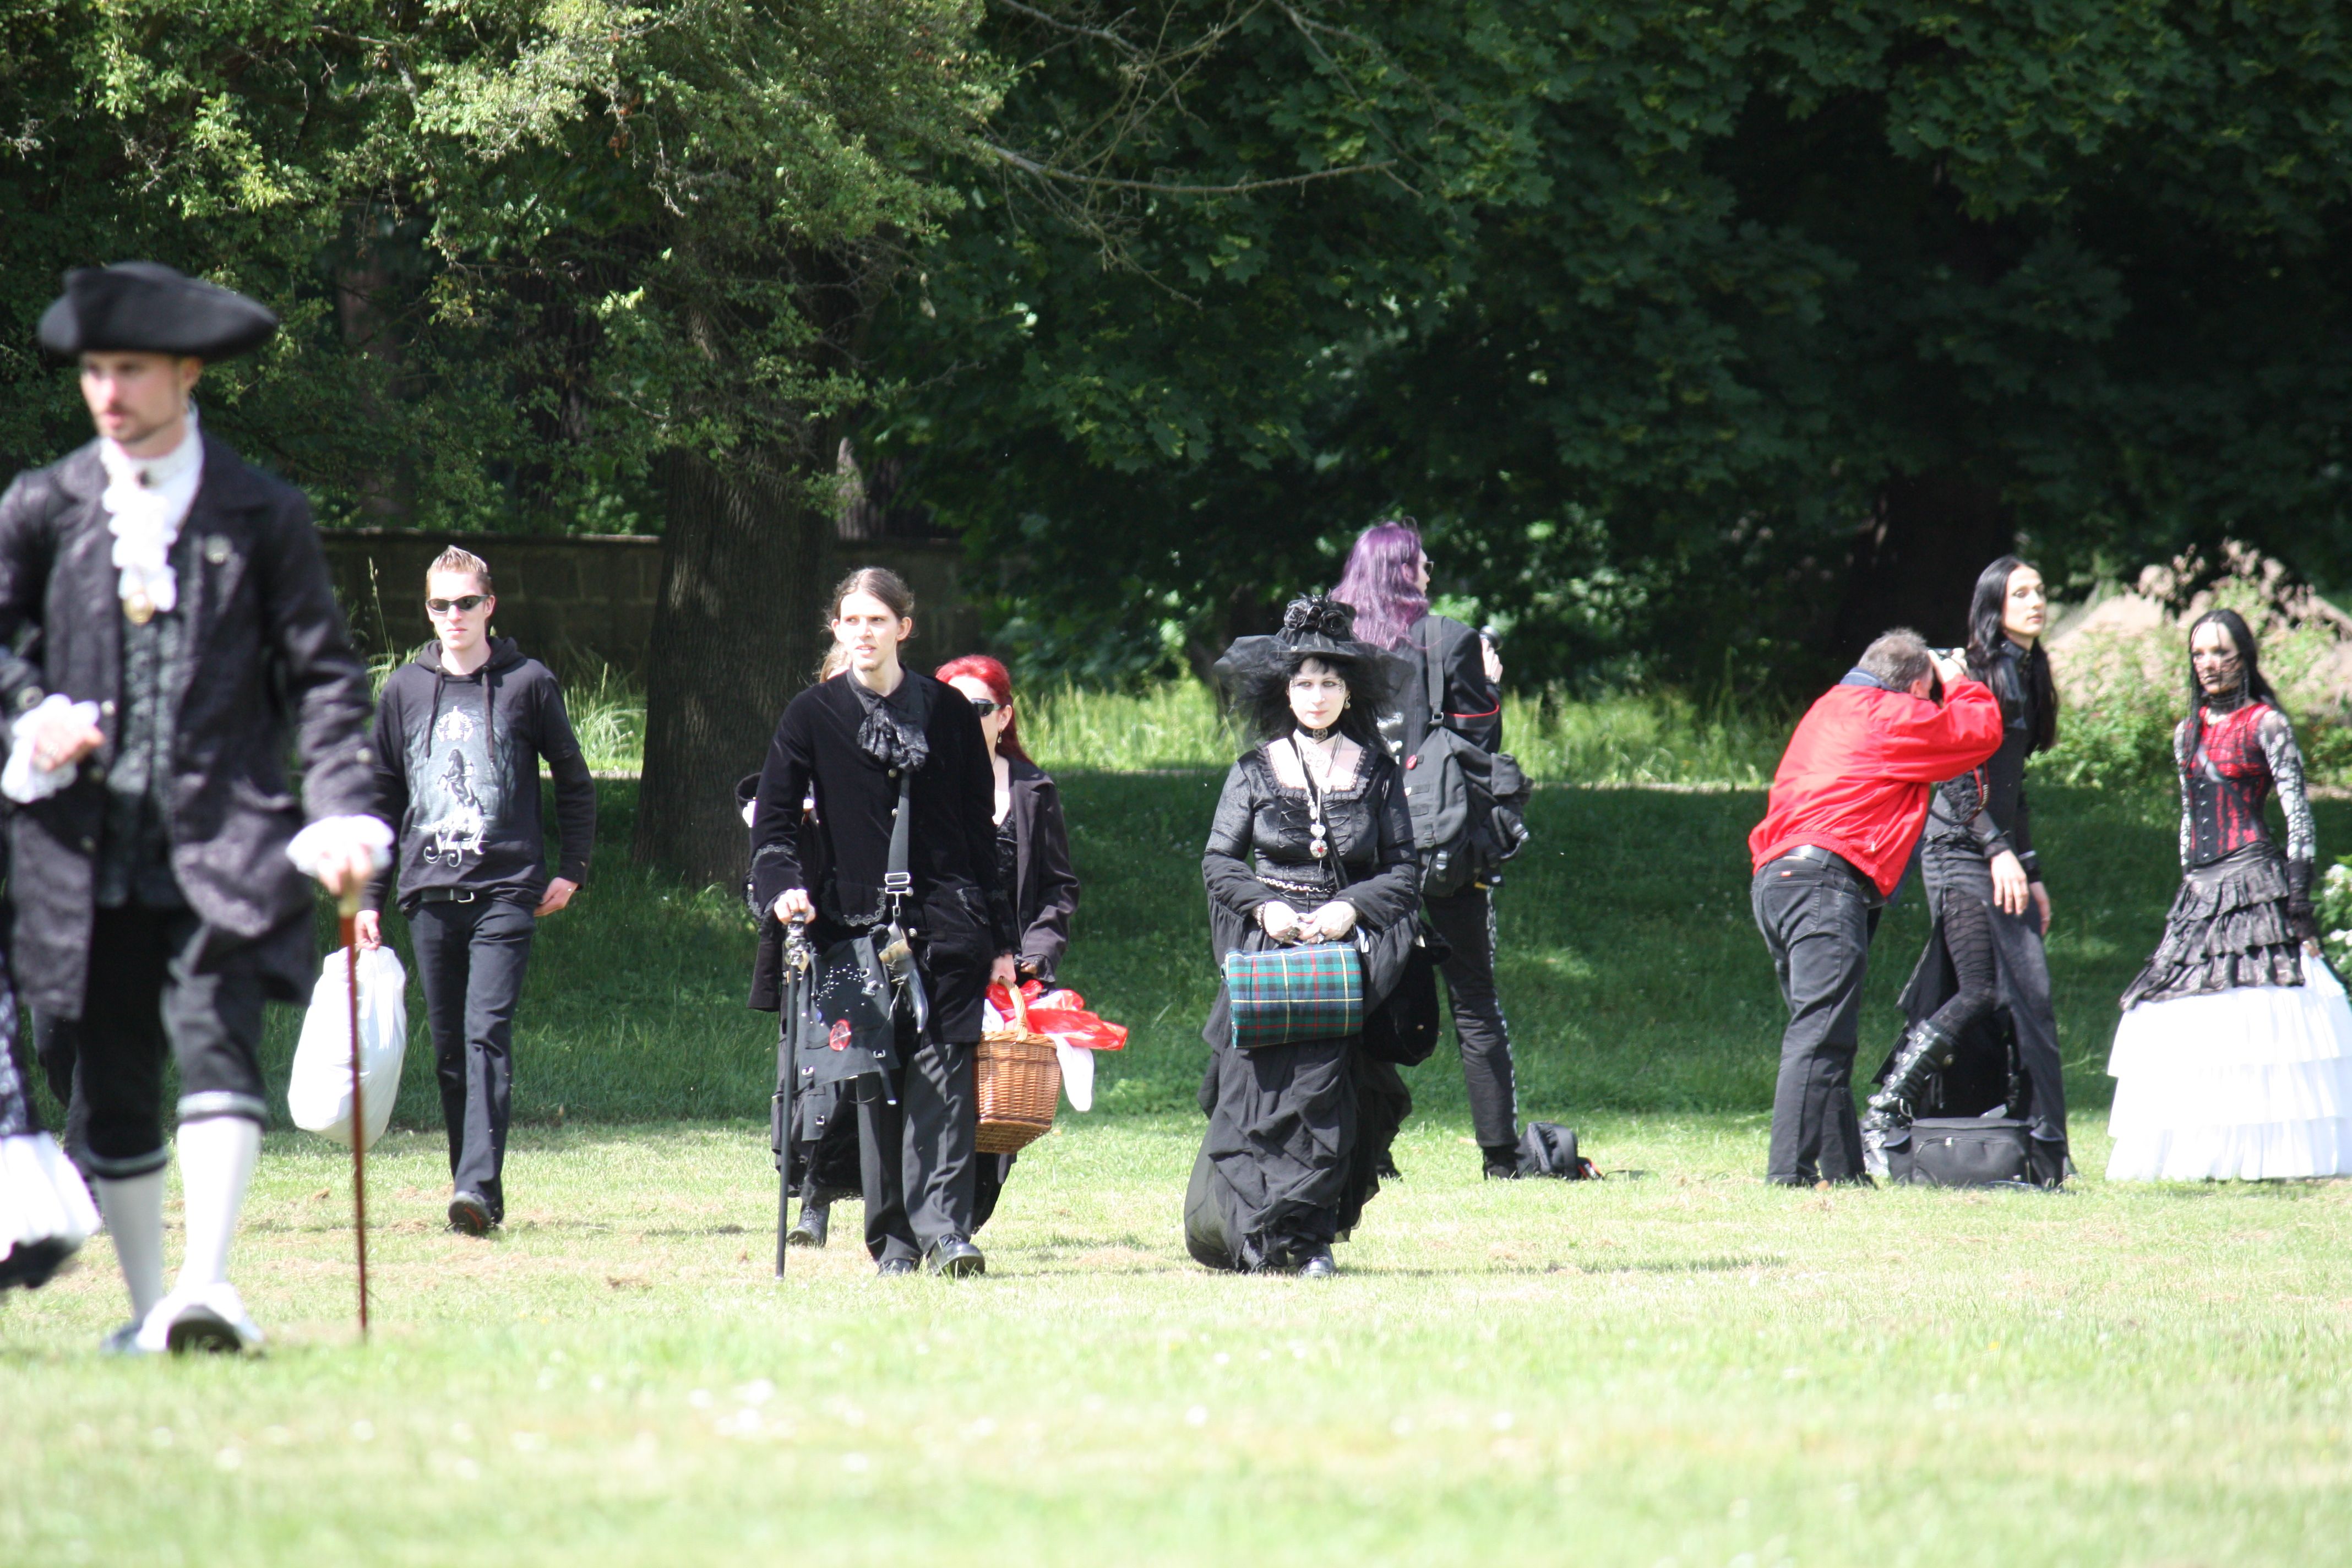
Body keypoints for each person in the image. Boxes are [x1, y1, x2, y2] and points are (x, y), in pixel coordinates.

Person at [0, 262, 385, 1353]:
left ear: (187, 372)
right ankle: (147, 1310)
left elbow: (323, 678)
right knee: (111, 1073)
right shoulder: (41, 505)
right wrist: (30, 716)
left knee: (217, 1038)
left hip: (227, 836)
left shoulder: (263, 511)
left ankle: (208, 1287)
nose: (110, 392)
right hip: (81, 847)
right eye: (94, 371)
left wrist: (342, 808)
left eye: (131, 370)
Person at [750, 568, 1016, 1276]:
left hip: (947, 918)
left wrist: (1002, 938)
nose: (863, 632)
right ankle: (893, 1243)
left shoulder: (949, 712)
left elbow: (980, 832)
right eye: (851, 620)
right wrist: (783, 889)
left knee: (944, 1078)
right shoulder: (810, 714)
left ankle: (946, 1233)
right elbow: (774, 825)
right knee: (876, 1084)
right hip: (848, 929)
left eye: (877, 620)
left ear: (905, 627)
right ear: (836, 629)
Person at [355, 547, 596, 1235]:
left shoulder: (528, 683)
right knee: (450, 1050)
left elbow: (574, 780)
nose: (453, 615)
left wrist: (572, 868)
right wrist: (369, 897)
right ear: (428, 610)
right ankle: (473, 1187)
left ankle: (477, 1188)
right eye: (440, 604)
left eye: (466, 602)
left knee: (486, 1032)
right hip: (428, 891)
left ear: (490, 605)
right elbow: (382, 797)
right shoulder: (403, 690)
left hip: (505, 892)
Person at [1185, 596, 1422, 1276]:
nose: (1316, 695)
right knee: (1255, 1095)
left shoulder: (1377, 774)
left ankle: (1308, 1238)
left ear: (1349, 693)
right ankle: (1255, 1237)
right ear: (1285, 692)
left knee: (1326, 1098)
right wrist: (1264, 909)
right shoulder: (1253, 770)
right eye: (1305, 682)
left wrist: (1351, 907)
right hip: (1269, 956)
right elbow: (1219, 862)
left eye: (1329, 682)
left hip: (1342, 964)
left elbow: (1405, 870)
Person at [1748, 630, 2001, 1185]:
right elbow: (1979, 732)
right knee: (1820, 1035)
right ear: (1914, 687)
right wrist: (1957, 679)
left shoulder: (1831, 706)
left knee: (1827, 1034)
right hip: (1823, 881)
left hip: (1780, 880)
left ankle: (1845, 1174)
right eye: (1928, 693)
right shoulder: (1887, 713)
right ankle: (1788, 1175)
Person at [2105, 609, 2352, 1180]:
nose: (2209, 664)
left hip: (2256, 878)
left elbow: (2298, 814)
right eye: (2199, 653)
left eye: (2221, 652)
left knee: (2263, 1011)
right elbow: (2188, 819)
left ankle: (2277, 1154)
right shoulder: (2186, 732)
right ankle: (2205, 1153)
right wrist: (2188, 884)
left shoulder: (2268, 724)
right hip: (2200, 887)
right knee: (2176, 1010)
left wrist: (2299, 900)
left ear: (2244, 656)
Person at [1864, 557, 2070, 1183]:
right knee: (1983, 988)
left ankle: (2027, 1143)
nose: (2035, 601)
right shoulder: (1972, 669)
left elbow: (2013, 787)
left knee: (2013, 995)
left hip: (1995, 852)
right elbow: (1951, 768)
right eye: (2020, 593)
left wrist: (2030, 868)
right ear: (1994, 604)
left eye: (2039, 591)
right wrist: (1995, 849)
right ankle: (1885, 1110)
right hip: (1957, 847)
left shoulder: (2028, 672)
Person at [1333, 519, 1522, 1178]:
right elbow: (1479, 748)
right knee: (1473, 996)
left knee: (1359, 993)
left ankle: (1369, 1151)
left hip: (1358, 846)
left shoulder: (1337, 645)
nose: (1430, 571)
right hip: (1442, 840)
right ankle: (1501, 1157)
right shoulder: (1449, 639)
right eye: (1422, 561)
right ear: (1403, 570)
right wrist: (1489, 685)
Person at [935, 653, 1081, 1231]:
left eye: (977, 707)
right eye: (950, 706)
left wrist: (1034, 961)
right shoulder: (918, 788)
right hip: (938, 966)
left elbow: (1057, 888)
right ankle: (932, 1221)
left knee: (1001, 1108)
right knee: (939, 1096)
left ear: (1004, 716)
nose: (964, 718)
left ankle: (965, 1224)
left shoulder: (1033, 790)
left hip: (1011, 977)